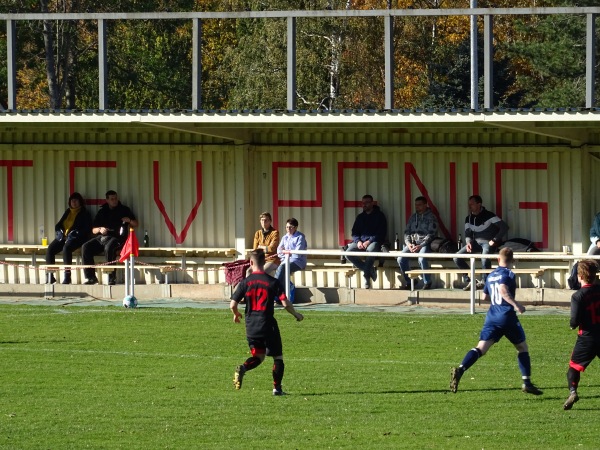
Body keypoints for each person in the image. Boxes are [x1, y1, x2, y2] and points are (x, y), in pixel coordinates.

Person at [450, 247, 543, 396]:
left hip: (492, 316)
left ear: (498, 259)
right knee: (522, 347)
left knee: (481, 348)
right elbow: (502, 290)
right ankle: (527, 383)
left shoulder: (491, 274)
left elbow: (485, 297)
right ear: (512, 260)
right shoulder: (508, 273)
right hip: (506, 316)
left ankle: (461, 369)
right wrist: (516, 305)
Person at [230, 249, 304, 396]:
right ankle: (277, 389)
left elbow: (232, 304)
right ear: (265, 262)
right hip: (267, 324)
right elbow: (285, 303)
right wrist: (296, 314)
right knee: (278, 357)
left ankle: (244, 368)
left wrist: (236, 314)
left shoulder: (245, 282)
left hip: (251, 326)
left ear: (251, 263)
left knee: (259, 357)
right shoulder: (273, 282)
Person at [562, 260, 600, 410]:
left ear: (579, 276)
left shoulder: (578, 296)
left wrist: (572, 325)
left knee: (573, 368)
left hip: (587, 338)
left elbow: (575, 320)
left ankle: (573, 392)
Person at [81, 190, 138, 285]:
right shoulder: (102, 211)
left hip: (117, 238)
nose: (114, 200)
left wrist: (129, 220)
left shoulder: (124, 210)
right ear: (107, 200)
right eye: (112, 199)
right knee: (85, 247)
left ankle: (112, 277)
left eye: (115, 198)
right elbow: (93, 230)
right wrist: (100, 229)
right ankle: (91, 278)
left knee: (109, 247)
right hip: (102, 238)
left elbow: (136, 224)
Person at [453, 195, 508, 291]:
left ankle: (484, 282)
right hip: (475, 243)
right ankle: (470, 280)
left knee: (484, 257)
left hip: (488, 243)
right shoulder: (468, 218)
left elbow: (504, 227)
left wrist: (494, 240)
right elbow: (468, 233)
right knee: (456, 257)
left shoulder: (489, 215)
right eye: (469, 204)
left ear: (479, 204)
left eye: (472, 204)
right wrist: (468, 242)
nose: (469, 206)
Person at [45, 192, 92, 284]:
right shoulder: (68, 211)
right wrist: (60, 232)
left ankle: (67, 277)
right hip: (63, 237)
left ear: (80, 202)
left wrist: (74, 233)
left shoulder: (84, 213)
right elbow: (58, 225)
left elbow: (86, 229)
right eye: (72, 201)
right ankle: (50, 276)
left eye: (76, 201)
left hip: (77, 238)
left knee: (66, 248)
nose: (74, 203)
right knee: (50, 249)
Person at [345, 194, 387, 289]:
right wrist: (358, 241)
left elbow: (381, 232)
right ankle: (369, 270)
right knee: (348, 253)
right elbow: (354, 232)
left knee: (370, 251)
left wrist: (369, 241)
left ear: (372, 203)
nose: (364, 205)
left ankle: (366, 277)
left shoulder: (380, 216)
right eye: (363, 203)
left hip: (375, 241)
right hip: (360, 242)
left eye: (367, 203)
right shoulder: (360, 217)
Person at [397, 196, 438, 290]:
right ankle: (409, 281)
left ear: (425, 205)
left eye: (419, 205)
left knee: (421, 258)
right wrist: (408, 243)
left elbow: (432, 234)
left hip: (425, 244)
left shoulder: (431, 217)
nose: (417, 207)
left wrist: (421, 245)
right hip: (413, 244)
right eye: (416, 205)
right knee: (400, 259)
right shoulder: (413, 217)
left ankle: (427, 282)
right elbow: (407, 232)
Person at [274, 218, 307, 288]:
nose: (288, 229)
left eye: (290, 227)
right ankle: (282, 293)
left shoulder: (300, 237)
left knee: (282, 268)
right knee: (282, 270)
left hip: (298, 262)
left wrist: (286, 252)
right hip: (285, 261)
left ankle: (274, 289)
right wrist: (286, 254)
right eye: (287, 227)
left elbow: (297, 254)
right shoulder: (285, 237)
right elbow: (279, 251)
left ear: (295, 228)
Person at [247, 212, 280, 277]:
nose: (264, 222)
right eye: (262, 220)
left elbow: (271, 248)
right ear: (260, 221)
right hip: (260, 260)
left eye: (266, 220)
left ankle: (260, 287)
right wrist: (265, 248)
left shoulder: (275, 232)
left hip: (272, 260)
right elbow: (255, 250)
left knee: (260, 272)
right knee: (248, 271)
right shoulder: (257, 233)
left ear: (270, 221)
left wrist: (261, 247)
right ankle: (249, 287)